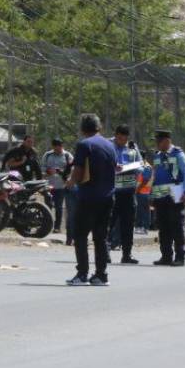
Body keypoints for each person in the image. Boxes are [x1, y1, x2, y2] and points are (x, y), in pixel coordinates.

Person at [65, 113, 117, 286]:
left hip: (88, 197)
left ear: (82, 129)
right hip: (108, 197)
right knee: (100, 237)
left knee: (80, 235)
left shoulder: (84, 145)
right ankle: (101, 275)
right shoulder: (110, 146)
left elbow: (78, 171)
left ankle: (82, 274)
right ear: (98, 127)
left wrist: (71, 182)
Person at [150, 128, 185, 267]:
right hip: (160, 196)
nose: (157, 143)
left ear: (167, 141)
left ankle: (180, 257)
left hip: (176, 194)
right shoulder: (157, 156)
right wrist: (151, 194)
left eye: (159, 141)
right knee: (163, 227)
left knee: (176, 226)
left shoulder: (178, 154)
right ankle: (166, 256)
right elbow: (155, 176)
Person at [108, 126, 142, 264]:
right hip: (111, 191)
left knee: (128, 224)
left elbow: (140, 164)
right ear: (115, 135)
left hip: (128, 191)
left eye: (125, 139)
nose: (123, 141)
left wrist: (133, 168)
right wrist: (114, 167)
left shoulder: (133, 147)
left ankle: (127, 254)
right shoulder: (107, 145)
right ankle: (105, 252)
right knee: (109, 223)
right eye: (120, 138)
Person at [42, 138, 72, 235]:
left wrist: (62, 172)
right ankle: (46, 226)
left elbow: (73, 168)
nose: (57, 149)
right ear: (53, 146)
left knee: (59, 207)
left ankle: (57, 227)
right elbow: (42, 167)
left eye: (59, 147)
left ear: (61, 146)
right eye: (55, 147)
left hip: (61, 186)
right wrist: (47, 171)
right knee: (48, 206)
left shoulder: (67, 155)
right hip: (48, 185)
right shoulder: (47, 155)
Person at [135, 156, 153, 233]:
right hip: (146, 191)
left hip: (142, 191)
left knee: (141, 210)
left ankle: (142, 227)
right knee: (145, 210)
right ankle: (144, 227)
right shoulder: (148, 166)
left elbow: (144, 180)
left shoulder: (145, 166)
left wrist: (137, 189)